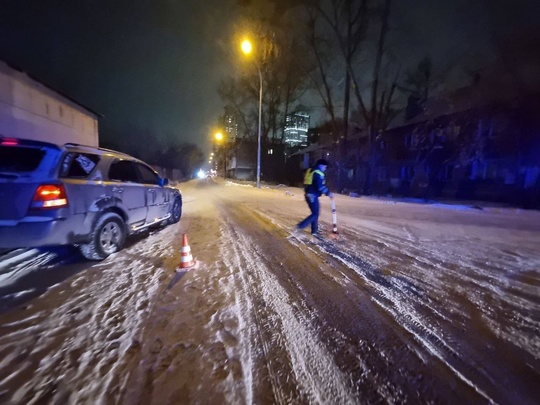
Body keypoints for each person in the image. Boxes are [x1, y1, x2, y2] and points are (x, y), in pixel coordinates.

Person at [296, 159, 333, 238]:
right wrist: (328, 193)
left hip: (308, 194)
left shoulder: (311, 170)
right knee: (315, 214)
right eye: (325, 167)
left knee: (315, 213)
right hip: (312, 195)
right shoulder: (317, 173)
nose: (325, 168)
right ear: (321, 165)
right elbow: (320, 186)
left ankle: (314, 231)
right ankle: (300, 226)